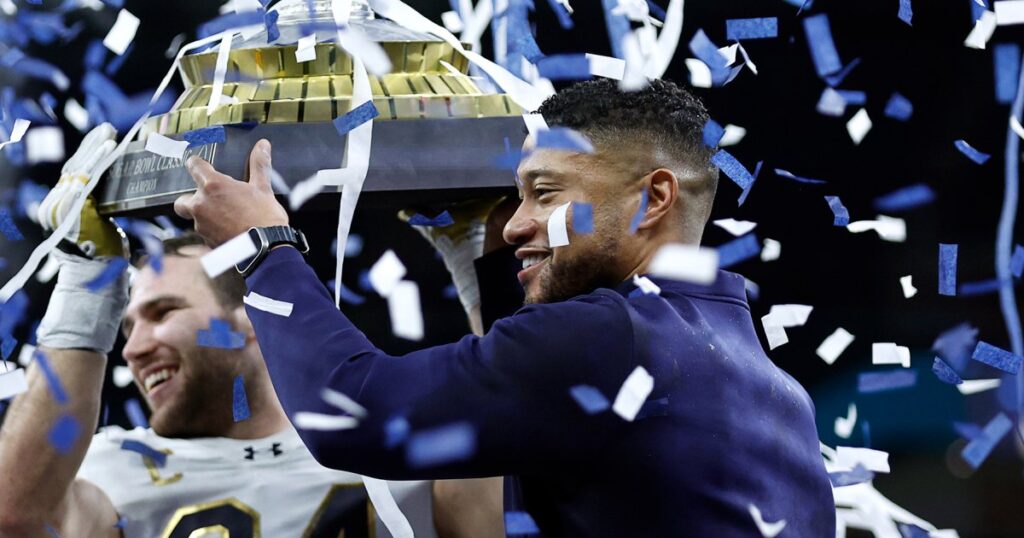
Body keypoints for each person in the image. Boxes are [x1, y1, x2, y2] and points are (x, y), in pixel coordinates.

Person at [175, 79, 837, 536]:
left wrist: (261, 250)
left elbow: (350, 410)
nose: (517, 223)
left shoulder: (609, 337)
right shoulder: (767, 381)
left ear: (652, 199)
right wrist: (481, 265)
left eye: (544, 193)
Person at [0, 124, 435, 537]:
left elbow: (498, 491)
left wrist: (479, 277)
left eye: (163, 312)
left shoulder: (395, 443)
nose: (132, 350)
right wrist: (84, 285)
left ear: (250, 320)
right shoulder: (113, 470)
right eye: (127, 327)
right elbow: (14, 517)